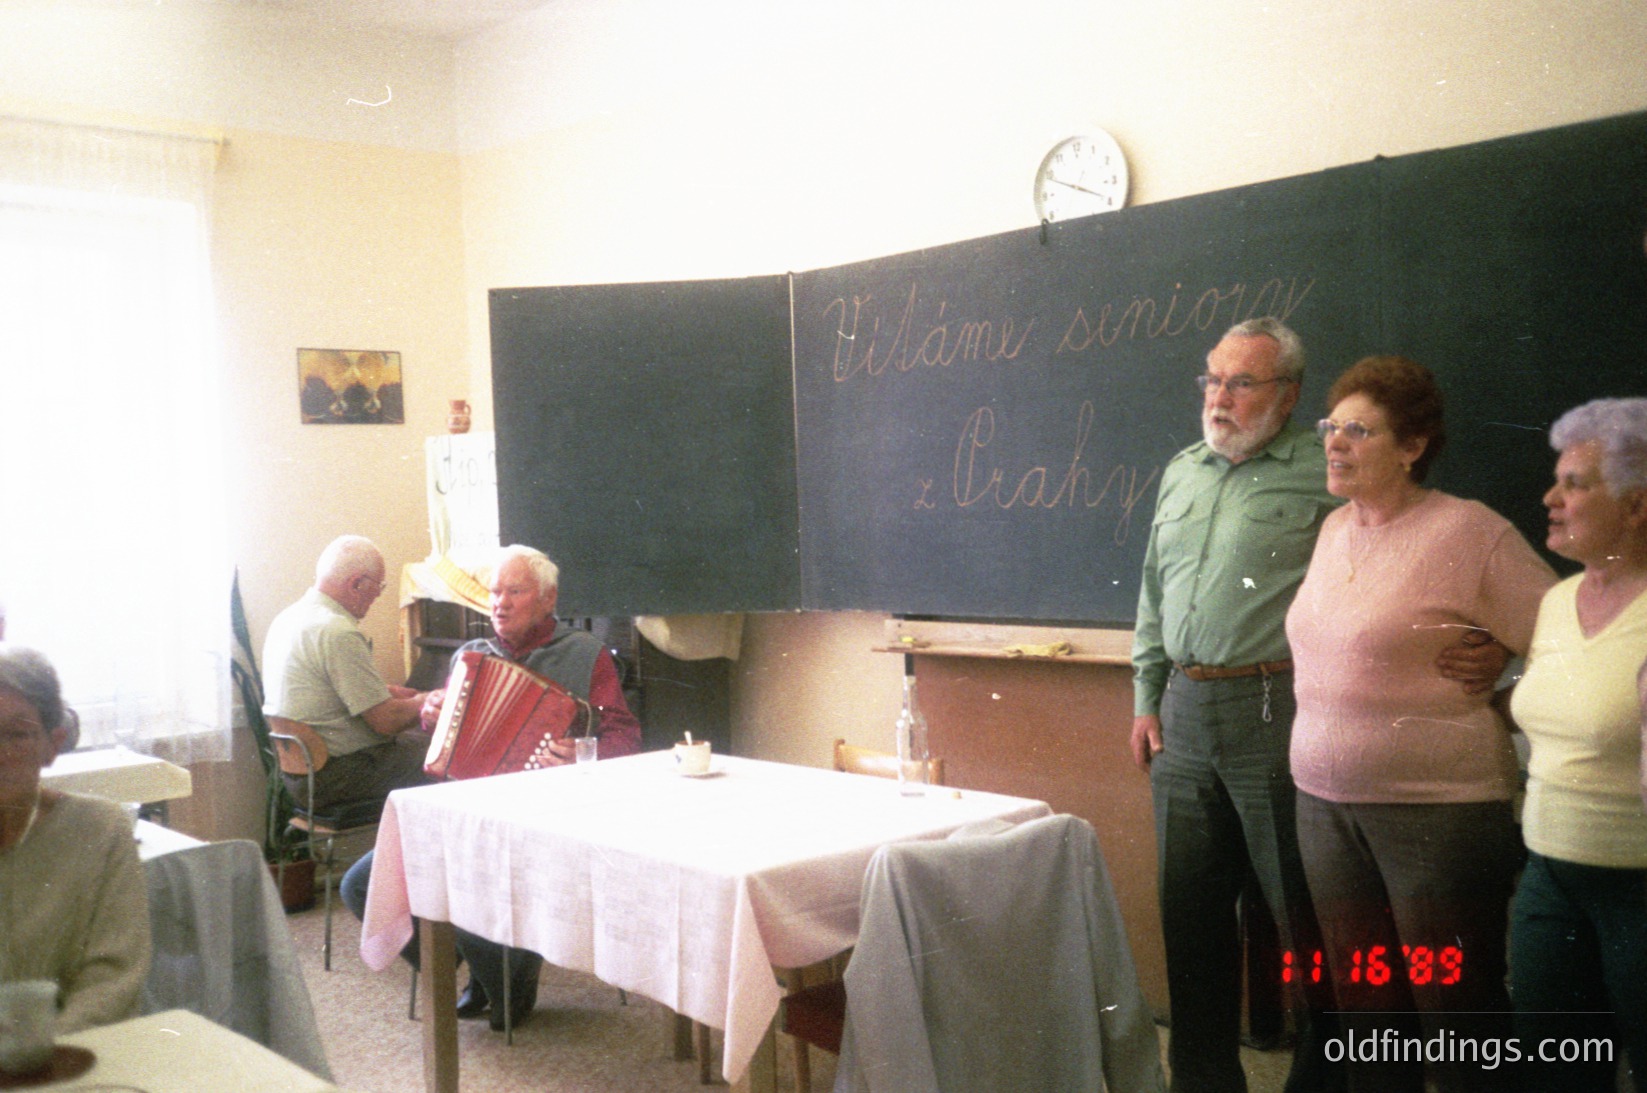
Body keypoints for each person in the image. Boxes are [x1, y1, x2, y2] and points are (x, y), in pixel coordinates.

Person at [1130, 319, 1506, 1093]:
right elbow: (1150, 591)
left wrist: (1493, 644)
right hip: (1182, 710)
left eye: (1242, 382)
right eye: (1211, 379)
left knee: (1312, 931)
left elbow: (1409, 561)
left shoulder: (1328, 470)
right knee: (1190, 924)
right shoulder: (1181, 471)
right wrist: (1144, 692)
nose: (1220, 397)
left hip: (1278, 710)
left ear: (1289, 394)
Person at [1284, 356, 1555, 1092]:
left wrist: (1504, 670)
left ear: (1411, 446)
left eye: (1359, 431)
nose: (1334, 443)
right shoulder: (1334, 529)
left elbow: (1571, 634)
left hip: (1436, 811)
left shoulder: (1468, 531)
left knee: (1456, 1016)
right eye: (1329, 427)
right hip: (1323, 807)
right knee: (1366, 1012)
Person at [343, 544, 642, 1031]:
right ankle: (487, 968)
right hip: (463, 810)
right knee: (358, 885)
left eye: (515, 592)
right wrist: (431, 713)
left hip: (542, 815)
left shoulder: (584, 656)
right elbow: (439, 740)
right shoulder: (470, 656)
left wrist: (582, 752)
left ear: (547, 599)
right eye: (495, 592)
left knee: (462, 881)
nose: (499, 603)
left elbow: (625, 738)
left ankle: (503, 975)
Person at [1508, 397, 1647, 1092]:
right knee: (1556, 1070)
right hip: (1548, 876)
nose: (1549, 497)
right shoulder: (1555, 601)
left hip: (1638, 884)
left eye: (1574, 483)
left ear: (1636, 505)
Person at [0, 644, 150, 1032]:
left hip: (72, 1064)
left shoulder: (100, 830)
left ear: (53, 745)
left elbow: (113, 981)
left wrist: (38, 1055)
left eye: (16, 735)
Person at [261, 535, 431, 811]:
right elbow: (385, 722)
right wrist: (432, 698)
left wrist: (381, 692)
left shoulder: (288, 619)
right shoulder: (336, 631)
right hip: (337, 775)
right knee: (448, 755)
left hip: (299, 776)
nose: (377, 595)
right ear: (357, 584)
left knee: (424, 744)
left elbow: (320, 691)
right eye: (379, 587)